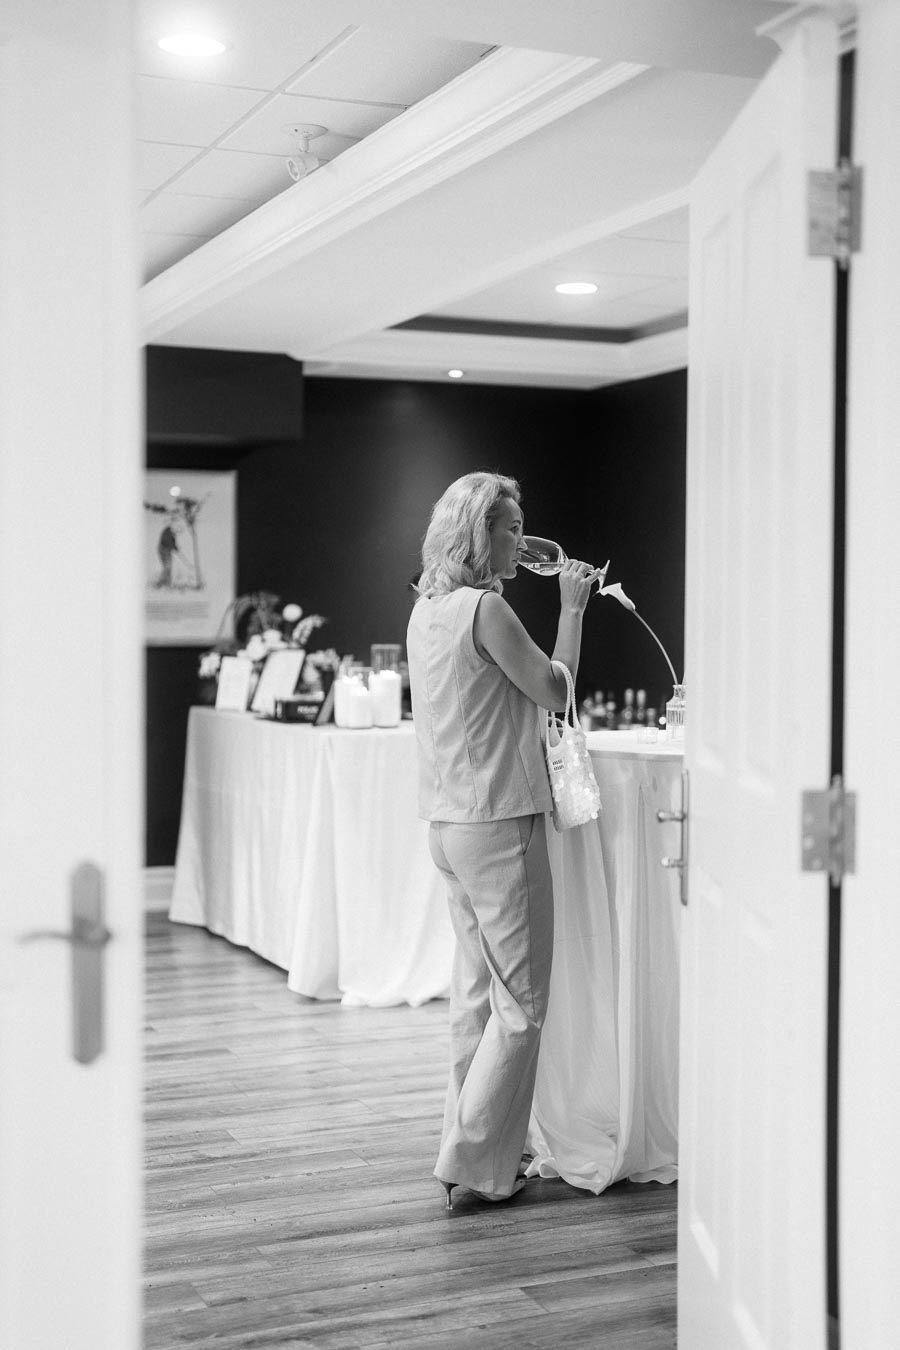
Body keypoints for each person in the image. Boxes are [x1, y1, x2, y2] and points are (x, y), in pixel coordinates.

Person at [406, 471, 601, 1208]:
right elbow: (556, 690)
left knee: (476, 999)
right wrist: (573, 609)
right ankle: (473, 1166)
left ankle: (486, 1151)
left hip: (449, 825)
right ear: (480, 533)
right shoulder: (486, 609)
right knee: (522, 1004)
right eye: (513, 528)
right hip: (498, 824)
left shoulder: (428, 609)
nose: (522, 540)